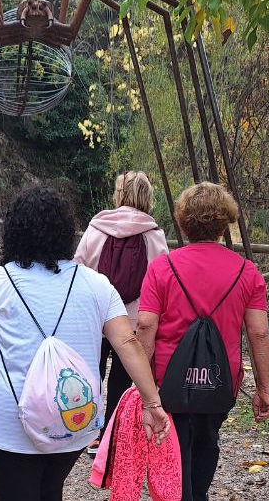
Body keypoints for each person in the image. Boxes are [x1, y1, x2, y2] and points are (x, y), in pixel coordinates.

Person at [0, 186, 170, 501]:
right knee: (50, 489)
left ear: (14, 232)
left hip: (12, 425)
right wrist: (152, 402)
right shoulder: (96, 284)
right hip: (73, 420)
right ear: (66, 233)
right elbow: (128, 343)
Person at [137, 181, 269, 501]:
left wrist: (141, 386)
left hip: (168, 380)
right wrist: (263, 388)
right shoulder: (247, 272)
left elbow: (145, 326)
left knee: (175, 440)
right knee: (208, 438)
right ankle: (197, 494)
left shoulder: (162, 268)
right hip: (220, 378)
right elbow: (259, 333)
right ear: (224, 223)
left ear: (184, 223)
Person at [74, 170, 169, 453]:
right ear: (148, 197)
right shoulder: (154, 235)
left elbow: (79, 269)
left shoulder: (97, 228)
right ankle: (109, 436)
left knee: (92, 372)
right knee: (122, 376)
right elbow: (161, 278)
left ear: (119, 194)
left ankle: (86, 430)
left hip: (97, 316)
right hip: (135, 320)